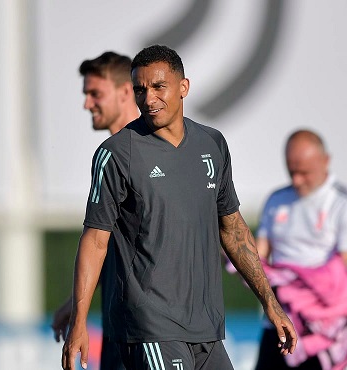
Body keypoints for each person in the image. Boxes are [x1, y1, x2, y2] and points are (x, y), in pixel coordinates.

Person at [61, 44, 297, 370]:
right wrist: (79, 319)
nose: (149, 98)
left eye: (159, 87)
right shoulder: (116, 153)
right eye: (140, 90)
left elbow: (233, 229)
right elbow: (95, 240)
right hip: (151, 327)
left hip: (207, 327)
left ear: (183, 87)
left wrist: (270, 302)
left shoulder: (212, 144)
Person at [51, 51, 139, 370]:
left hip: (146, 332)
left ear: (125, 92)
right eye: (86, 94)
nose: (87, 104)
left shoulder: (145, 156)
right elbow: (113, 246)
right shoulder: (111, 154)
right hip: (118, 324)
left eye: (95, 94)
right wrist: (77, 307)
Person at [253, 130, 347, 370]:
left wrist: (305, 296)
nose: (297, 180)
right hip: (278, 322)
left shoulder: (340, 203)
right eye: (292, 172)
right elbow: (257, 256)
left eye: (304, 173)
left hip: (323, 329)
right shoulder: (277, 200)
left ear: (325, 161)